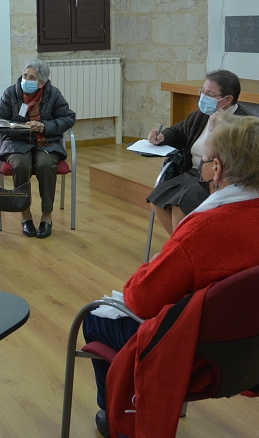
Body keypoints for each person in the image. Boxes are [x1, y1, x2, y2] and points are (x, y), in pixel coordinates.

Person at [83, 113, 259, 437]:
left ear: (216, 169)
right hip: (250, 357)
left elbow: (141, 301)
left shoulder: (205, 228)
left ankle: (121, 421)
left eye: (204, 162)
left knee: (95, 318)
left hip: (196, 359)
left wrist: (154, 264)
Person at [146, 69, 250, 234]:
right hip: (192, 173)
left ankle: (182, 250)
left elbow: (236, 161)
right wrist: (162, 137)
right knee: (157, 200)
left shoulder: (243, 124)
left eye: (209, 94)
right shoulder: (201, 115)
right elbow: (180, 131)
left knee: (181, 206)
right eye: (202, 91)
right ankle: (178, 247)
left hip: (218, 181)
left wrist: (218, 128)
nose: (203, 98)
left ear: (227, 100)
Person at [0, 59, 76, 239]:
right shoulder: (10, 94)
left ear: (42, 83)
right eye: (24, 75)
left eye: (31, 77)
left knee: (45, 164)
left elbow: (68, 118)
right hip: (16, 141)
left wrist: (44, 126)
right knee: (21, 164)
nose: (25, 80)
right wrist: (18, 125)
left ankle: (46, 216)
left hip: (46, 142)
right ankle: (25, 214)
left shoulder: (53, 94)